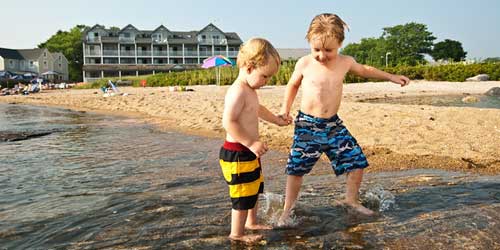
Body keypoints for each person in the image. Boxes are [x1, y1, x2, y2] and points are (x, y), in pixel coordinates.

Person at [278, 13, 410, 224]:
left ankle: (350, 200)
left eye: (328, 50)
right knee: (296, 169)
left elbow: (365, 70)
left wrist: (390, 77)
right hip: (307, 126)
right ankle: (287, 210)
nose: (321, 55)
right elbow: (292, 85)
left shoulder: (345, 62)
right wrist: (285, 109)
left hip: (333, 125)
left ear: (340, 44)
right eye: (316, 50)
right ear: (309, 43)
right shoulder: (304, 63)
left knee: (357, 161)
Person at [219, 38, 290, 243]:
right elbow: (228, 122)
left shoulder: (250, 90)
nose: (266, 81)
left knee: (254, 187)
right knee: (242, 195)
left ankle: (251, 222)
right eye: (265, 76)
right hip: (237, 152)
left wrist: (277, 120)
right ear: (249, 68)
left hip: (248, 151)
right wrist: (250, 142)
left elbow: (258, 110)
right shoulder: (238, 90)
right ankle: (237, 234)